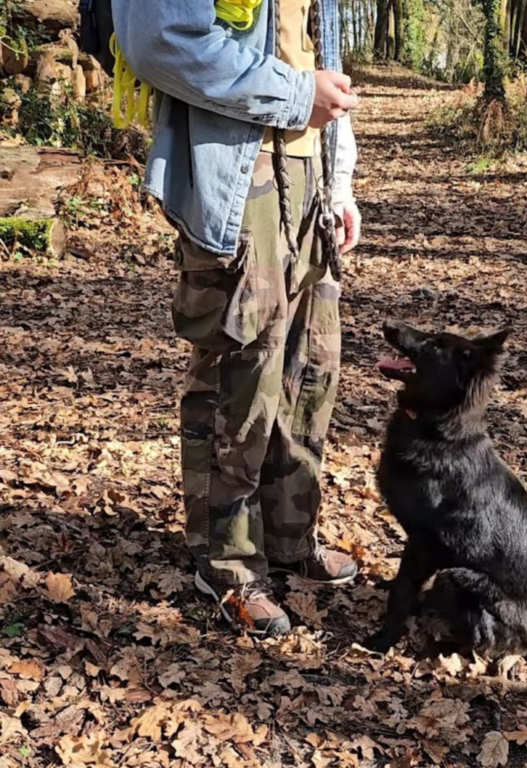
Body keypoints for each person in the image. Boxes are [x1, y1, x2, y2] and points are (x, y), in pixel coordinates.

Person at [113, 0, 362, 636]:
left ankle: (287, 537)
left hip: (308, 168)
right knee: (241, 365)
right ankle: (225, 562)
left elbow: (315, 50)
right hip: (238, 165)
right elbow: (159, 39)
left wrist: (339, 183)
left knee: (310, 366)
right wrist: (296, 93)